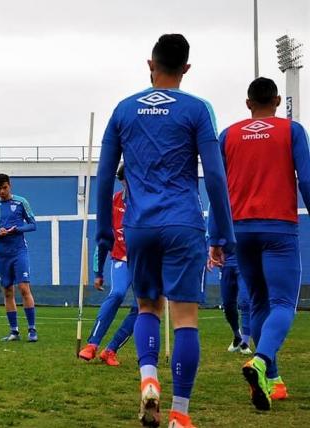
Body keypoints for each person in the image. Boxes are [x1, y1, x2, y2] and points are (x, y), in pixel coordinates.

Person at [95, 34, 235, 428]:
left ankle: (148, 378)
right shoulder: (196, 110)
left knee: (147, 308)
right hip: (183, 223)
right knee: (185, 318)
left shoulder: (123, 109)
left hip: (138, 226)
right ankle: (180, 413)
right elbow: (216, 178)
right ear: (186, 69)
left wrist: (105, 232)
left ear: (149, 65)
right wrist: (223, 234)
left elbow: (105, 176)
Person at [208, 76, 310, 410]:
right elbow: (306, 179)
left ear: (248, 103)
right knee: (283, 304)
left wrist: (216, 236)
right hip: (279, 228)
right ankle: (261, 359)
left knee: (259, 303)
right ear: (278, 101)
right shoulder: (291, 131)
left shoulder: (229, 135)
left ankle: (274, 381)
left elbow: (217, 189)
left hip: (240, 231)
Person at [79, 164, 138, 366]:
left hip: (145, 262)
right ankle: (92, 345)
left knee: (142, 308)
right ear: (122, 181)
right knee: (118, 293)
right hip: (121, 259)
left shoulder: (148, 201)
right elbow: (103, 239)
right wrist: (97, 272)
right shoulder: (114, 203)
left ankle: (111, 350)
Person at [0, 174, 38, 343]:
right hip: (1, 253)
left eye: (4, 187)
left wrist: (16, 229)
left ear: (10, 186)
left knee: (24, 288)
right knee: (7, 291)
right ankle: (14, 331)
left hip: (19, 251)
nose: (2, 191)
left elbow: (33, 225)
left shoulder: (20, 202)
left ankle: (32, 329)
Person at [217, 253, 252, 354]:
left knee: (245, 302)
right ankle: (237, 336)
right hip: (225, 265)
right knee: (227, 305)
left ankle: (245, 342)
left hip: (244, 263)